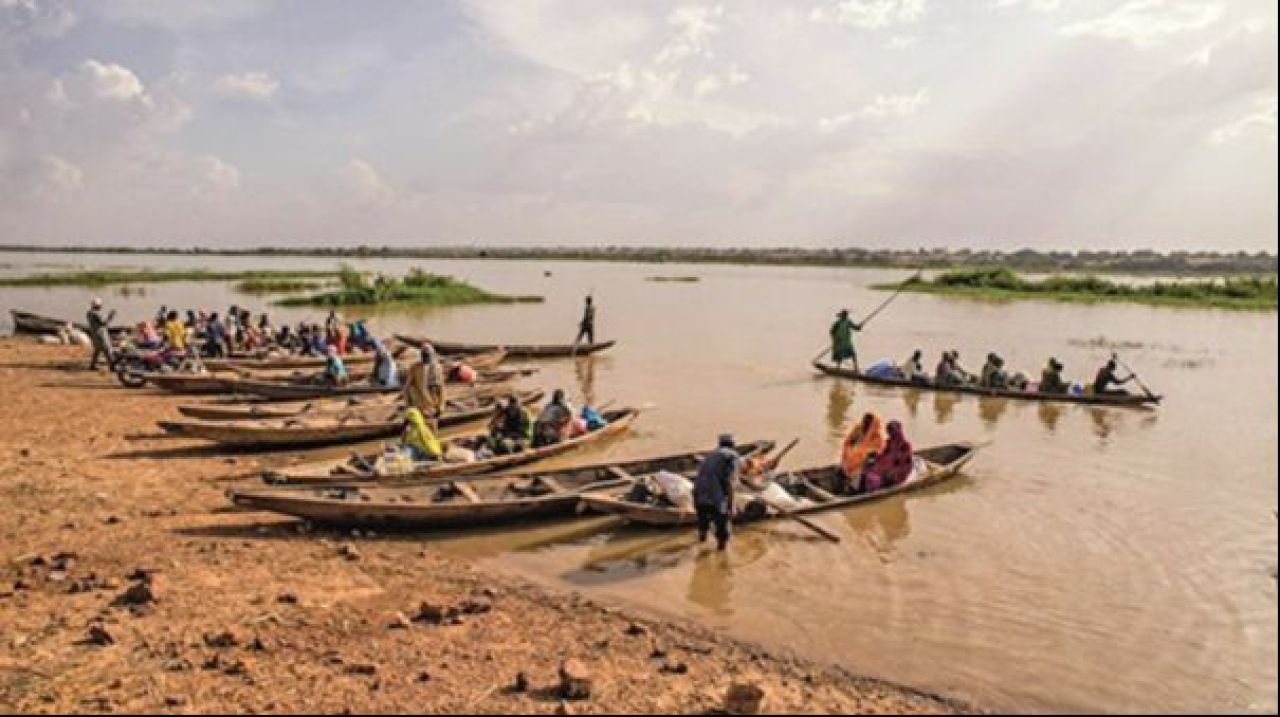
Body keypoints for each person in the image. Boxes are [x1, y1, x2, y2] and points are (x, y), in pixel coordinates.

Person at [692, 434, 741, 551]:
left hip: (699, 494)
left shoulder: (710, 455)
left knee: (703, 524)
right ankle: (722, 556)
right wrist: (732, 505)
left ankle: (701, 544)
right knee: (722, 532)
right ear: (733, 445)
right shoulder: (732, 456)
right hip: (716, 497)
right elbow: (730, 482)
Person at [861, 420, 914, 493]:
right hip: (886, 469)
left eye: (892, 432)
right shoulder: (888, 443)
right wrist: (872, 456)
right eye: (889, 432)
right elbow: (880, 455)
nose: (891, 434)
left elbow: (906, 466)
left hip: (896, 475)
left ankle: (869, 487)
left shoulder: (905, 446)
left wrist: (893, 473)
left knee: (874, 478)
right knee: (866, 469)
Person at [840, 412, 885, 493]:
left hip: (863, 467)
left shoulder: (877, 437)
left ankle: (852, 487)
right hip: (851, 464)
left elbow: (880, 453)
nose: (879, 427)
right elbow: (847, 444)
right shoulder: (858, 430)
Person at [404, 344, 444, 421]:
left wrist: (441, 406)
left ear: (432, 355)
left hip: (433, 405)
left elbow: (441, 388)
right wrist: (408, 406)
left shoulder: (437, 367)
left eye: (428, 355)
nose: (426, 357)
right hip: (420, 405)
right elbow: (407, 388)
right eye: (424, 355)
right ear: (421, 356)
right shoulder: (415, 368)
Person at [86, 298, 116, 370]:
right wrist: (110, 316)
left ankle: (93, 365)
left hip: (94, 334)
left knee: (97, 350)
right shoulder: (96, 314)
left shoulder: (89, 313)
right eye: (100, 305)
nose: (101, 307)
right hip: (100, 334)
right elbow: (104, 323)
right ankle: (112, 366)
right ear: (98, 306)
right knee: (107, 349)